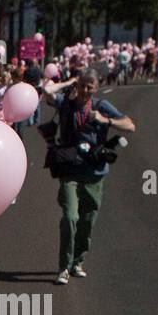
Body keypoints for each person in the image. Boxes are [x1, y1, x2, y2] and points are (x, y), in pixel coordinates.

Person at [42, 69, 135, 284]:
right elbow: (46, 91)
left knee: (87, 221)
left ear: (96, 87)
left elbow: (130, 125)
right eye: (82, 85)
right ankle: (64, 267)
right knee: (70, 217)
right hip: (70, 171)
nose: (85, 90)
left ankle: (77, 262)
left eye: (89, 86)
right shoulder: (67, 105)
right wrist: (69, 82)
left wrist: (106, 121)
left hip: (94, 172)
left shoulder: (101, 106)